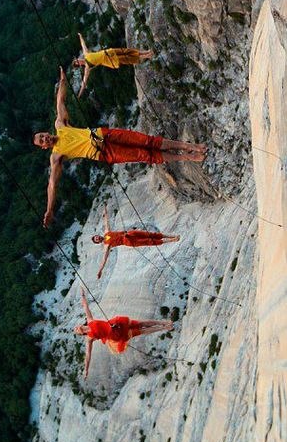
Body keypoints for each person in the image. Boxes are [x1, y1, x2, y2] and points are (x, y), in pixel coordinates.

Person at [34, 68, 207, 227]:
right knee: (145, 155)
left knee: (147, 141)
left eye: (43, 136)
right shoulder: (56, 156)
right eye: (42, 141)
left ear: (45, 132)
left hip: (104, 134)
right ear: (44, 147)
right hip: (104, 152)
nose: (45, 139)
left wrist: (63, 79)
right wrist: (50, 209)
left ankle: (190, 146)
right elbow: (52, 184)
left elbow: (60, 101)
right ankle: (188, 156)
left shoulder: (60, 125)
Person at [75, 287, 173, 377]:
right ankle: (164, 328)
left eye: (76, 328)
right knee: (142, 330)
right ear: (81, 333)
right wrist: (86, 370)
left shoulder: (90, 321)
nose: (77, 328)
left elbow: (85, 306)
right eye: (77, 330)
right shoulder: (89, 338)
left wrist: (83, 294)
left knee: (142, 323)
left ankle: (163, 323)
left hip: (117, 323)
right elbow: (88, 354)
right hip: (117, 335)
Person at [94, 207, 179, 279]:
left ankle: (171, 236)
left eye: (96, 237)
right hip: (127, 241)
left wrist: (105, 212)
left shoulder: (106, 233)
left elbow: (106, 223)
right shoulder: (106, 245)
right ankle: (173, 240)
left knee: (150, 234)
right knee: (148, 241)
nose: (97, 238)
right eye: (96, 239)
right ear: (98, 242)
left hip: (129, 233)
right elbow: (104, 259)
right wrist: (100, 270)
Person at [73, 31, 154, 97]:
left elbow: (83, 44)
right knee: (128, 58)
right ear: (79, 64)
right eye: (77, 61)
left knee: (128, 51)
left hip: (110, 52)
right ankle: (147, 56)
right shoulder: (87, 67)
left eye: (77, 59)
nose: (79, 59)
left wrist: (80, 36)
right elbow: (84, 82)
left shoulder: (86, 55)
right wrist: (80, 93)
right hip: (112, 60)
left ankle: (147, 52)